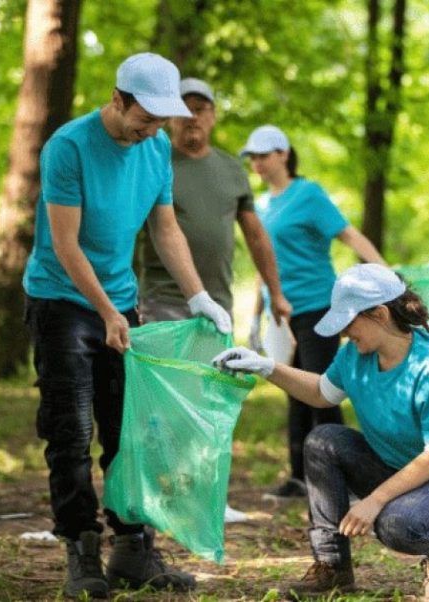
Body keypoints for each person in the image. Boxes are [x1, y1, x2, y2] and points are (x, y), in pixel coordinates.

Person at [22, 53, 232, 598]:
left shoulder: (156, 147)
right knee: (71, 432)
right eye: (144, 119)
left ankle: (134, 549)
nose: (152, 131)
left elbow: (165, 228)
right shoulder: (68, 146)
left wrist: (199, 296)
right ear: (118, 99)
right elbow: (65, 243)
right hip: (62, 301)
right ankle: (81, 549)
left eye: (161, 121)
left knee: (130, 431)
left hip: (119, 301)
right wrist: (106, 312)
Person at [213, 264, 429, 599]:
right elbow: (321, 393)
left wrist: (374, 500)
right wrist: (266, 367)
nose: (345, 333)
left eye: (349, 323)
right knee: (323, 441)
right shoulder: (355, 356)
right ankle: (332, 568)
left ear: (379, 314)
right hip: (398, 467)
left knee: (395, 523)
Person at [137, 78, 291, 523]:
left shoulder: (230, 169)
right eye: (184, 108)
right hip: (161, 300)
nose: (193, 117)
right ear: (170, 116)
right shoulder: (152, 160)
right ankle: (157, 496)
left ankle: (206, 496)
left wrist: (276, 292)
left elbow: (256, 235)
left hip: (216, 306)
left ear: (213, 115)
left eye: (201, 108)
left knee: (209, 400)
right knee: (166, 404)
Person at [240, 124, 386, 500]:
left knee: (323, 390)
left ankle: (349, 479)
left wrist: (385, 273)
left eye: (263, 155)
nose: (257, 162)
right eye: (252, 157)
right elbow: (262, 264)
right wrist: (256, 315)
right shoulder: (260, 205)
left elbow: (348, 234)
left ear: (283, 154)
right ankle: (300, 478)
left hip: (317, 306)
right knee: (294, 391)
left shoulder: (308, 194)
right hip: (282, 315)